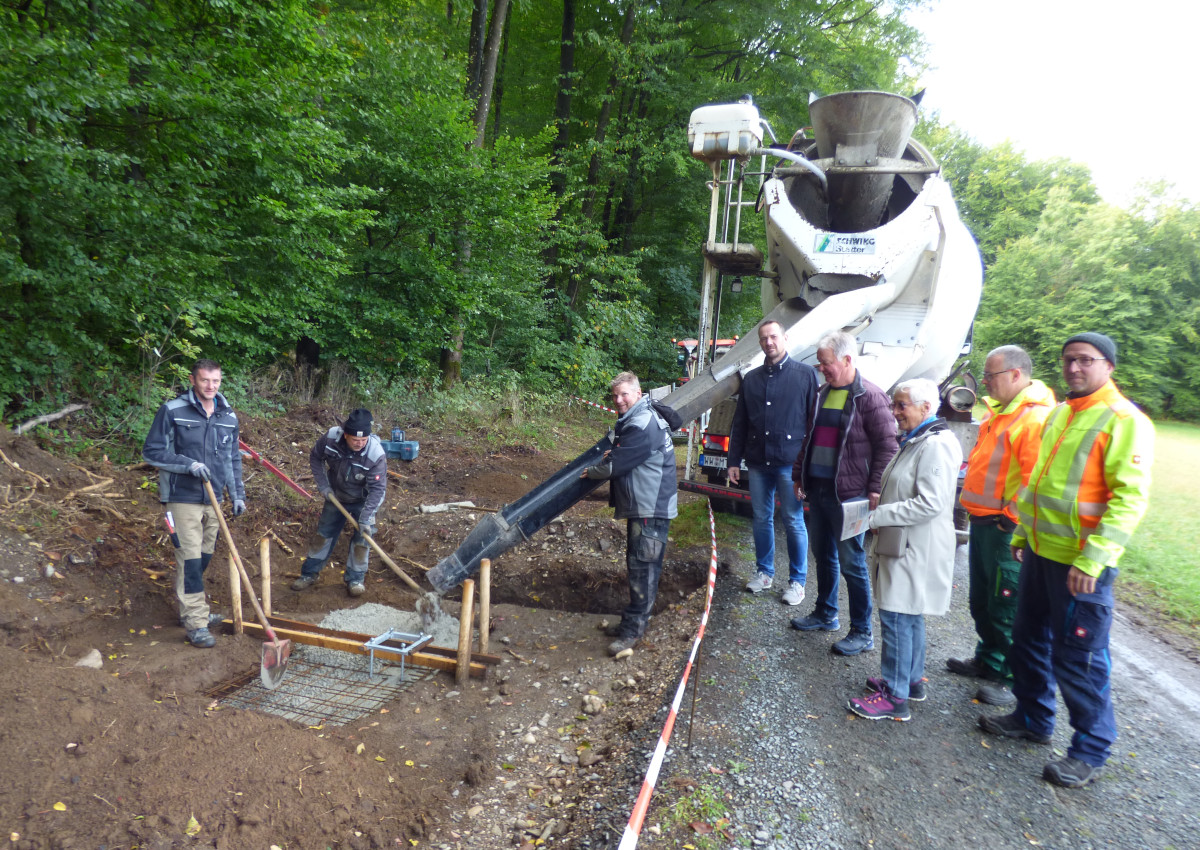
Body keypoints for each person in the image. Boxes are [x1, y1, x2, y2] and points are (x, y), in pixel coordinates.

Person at [979, 332, 1154, 789]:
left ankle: (1090, 750)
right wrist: (1022, 531)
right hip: (1038, 552)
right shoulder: (1061, 414)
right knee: (1027, 640)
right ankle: (1033, 718)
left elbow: (1129, 500)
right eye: (1068, 361)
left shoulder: (1123, 420)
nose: (1074, 368)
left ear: (1107, 366)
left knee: (1080, 658)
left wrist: (1093, 560)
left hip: (1081, 567)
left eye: (1085, 361)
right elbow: (1038, 480)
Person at [847, 379, 963, 721]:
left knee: (897, 615)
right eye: (894, 405)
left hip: (916, 547)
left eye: (901, 406)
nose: (894, 412)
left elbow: (930, 503)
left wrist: (878, 515)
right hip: (908, 543)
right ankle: (909, 681)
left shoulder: (936, 445)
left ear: (926, 408)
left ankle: (895, 697)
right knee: (908, 613)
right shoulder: (918, 440)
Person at [949, 345, 1056, 706]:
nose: (985, 383)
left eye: (991, 376)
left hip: (1002, 527)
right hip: (984, 521)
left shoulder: (1034, 418)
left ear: (1015, 375)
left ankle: (1011, 679)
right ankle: (989, 660)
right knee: (982, 598)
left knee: (1005, 601)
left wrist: (1008, 520)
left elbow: (1033, 480)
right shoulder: (1001, 413)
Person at [790, 331, 898, 655]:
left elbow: (887, 447)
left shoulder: (871, 397)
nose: (821, 368)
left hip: (849, 497)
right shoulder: (823, 393)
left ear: (847, 360)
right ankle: (826, 614)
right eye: (820, 363)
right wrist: (799, 475)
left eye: (826, 363)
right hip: (819, 490)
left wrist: (876, 489)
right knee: (822, 555)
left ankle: (863, 632)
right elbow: (808, 439)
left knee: (852, 563)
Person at [143, 358, 247, 649]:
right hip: (182, 496)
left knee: (203, 556)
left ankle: (191, 608)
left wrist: (237, 494)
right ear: (193, 380)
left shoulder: (228, 415)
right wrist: (188, 464)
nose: (210, 386)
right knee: (189, 558)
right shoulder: (173, 410)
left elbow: (232, 459)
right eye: (204, 380)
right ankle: (196, 622)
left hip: (213, 497)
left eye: (216, 381)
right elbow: (152, 451)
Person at [582, 372, 678, 656]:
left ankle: (633, 633)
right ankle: (632, 622)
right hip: (646, 504)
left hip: (651, 507)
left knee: (643, 569)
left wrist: (592, 472)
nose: (619, 400)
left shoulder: (642, 423)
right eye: (615, 396)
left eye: (624, 394)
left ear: (637, 393)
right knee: (638, 565)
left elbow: (616, 465)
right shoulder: (640, 416)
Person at [728, 320, 820, 605]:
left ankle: (797, 582)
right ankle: (764, 573)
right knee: (761, 519)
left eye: (774, 337)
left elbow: (813, 423)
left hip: (790, 464)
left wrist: (807, 468)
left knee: (793, 520)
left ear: (785, 338)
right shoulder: (752, 379)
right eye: (764, 338)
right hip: (757, 462)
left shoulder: (806, 376)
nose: (769, 342)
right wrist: (733, 460)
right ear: (760, 342)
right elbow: (740, 422)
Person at [291, 408, 387, 598]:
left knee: (362, 541)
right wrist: (324, 487)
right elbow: (315, 458)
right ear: (345, 435)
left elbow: (378, 490)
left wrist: (366, 518)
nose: (359, 444)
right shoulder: (330, 439)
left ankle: (355, 579)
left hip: (363, 501)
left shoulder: (376, 454)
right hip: (336, 496)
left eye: (363, 440)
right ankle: (309, 574)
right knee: (323, 535)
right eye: (355, 440)